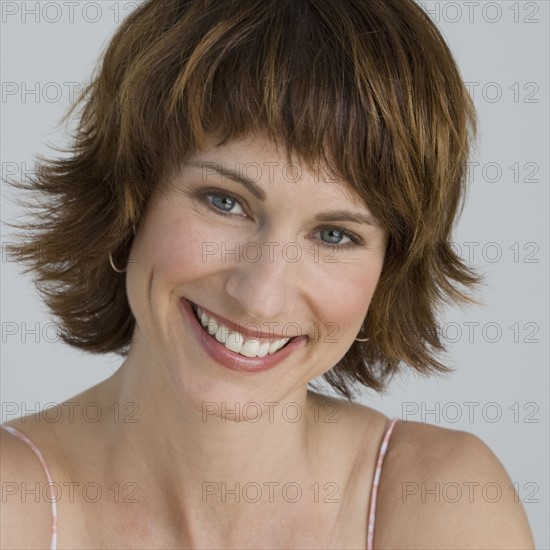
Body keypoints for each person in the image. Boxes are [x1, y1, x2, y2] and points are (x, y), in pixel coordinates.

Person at [0, 0, 535, 548]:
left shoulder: (444, 504)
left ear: (389, 271)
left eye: (335, 235)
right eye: (224, 201)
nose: (260, 296)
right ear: (129, 200)